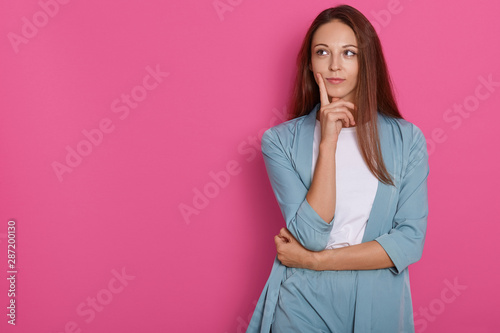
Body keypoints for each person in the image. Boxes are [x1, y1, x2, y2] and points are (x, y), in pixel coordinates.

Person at [246, 4, 429, 333]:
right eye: (322, 52)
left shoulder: (407, 139)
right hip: (302, 298)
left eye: (348, 53)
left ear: (366, 61)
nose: (334, 65)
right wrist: (328, 143)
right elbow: (311, 236)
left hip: (378, 298)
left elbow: (409, 242)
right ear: (309, 62)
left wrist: (316, 262)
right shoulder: (279, 141)